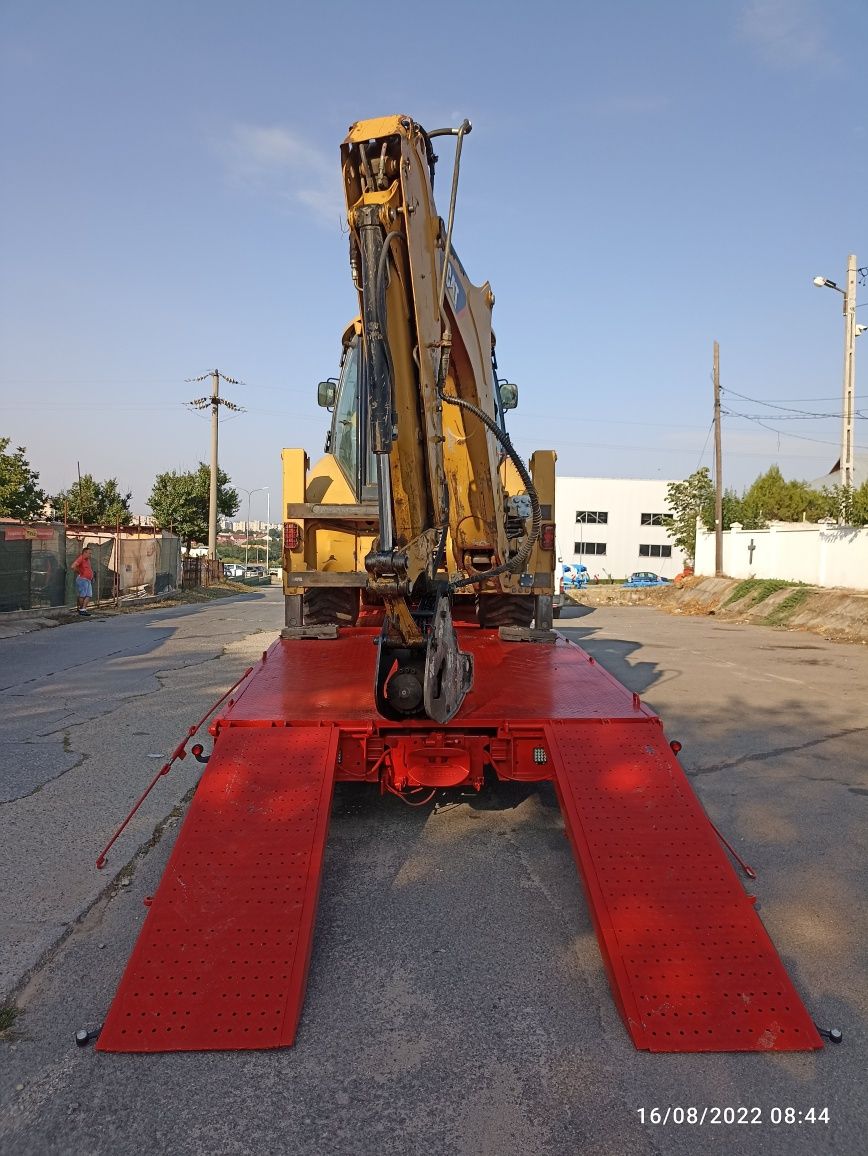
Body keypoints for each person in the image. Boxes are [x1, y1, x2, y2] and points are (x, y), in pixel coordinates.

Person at [71, 544, 94, 616]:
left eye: (91, 553)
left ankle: (83, 609)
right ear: (85, 553)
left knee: (89, 595)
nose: (90, 555)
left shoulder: (88, 560)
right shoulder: (81, 558)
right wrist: (79, 572)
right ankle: (81, 609)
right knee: (83, 595)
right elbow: (73, 566)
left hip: (88, 579)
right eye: (89, 553)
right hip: (83, 579)